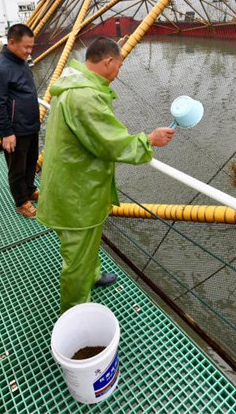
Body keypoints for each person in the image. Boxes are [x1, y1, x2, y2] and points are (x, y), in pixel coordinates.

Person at [37, 37, 175, 314]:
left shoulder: (76, 81)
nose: (119, 72)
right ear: (109, 61)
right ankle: (76, 313)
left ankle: (93, 275)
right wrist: (149, 140)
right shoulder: (85, 96)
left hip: (78, 185)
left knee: (89, 242)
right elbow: (110, 142)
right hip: (76, 194)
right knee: (76, 257)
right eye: (119, 66)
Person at [0, 23, 40, 218]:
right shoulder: (0, 69)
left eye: (31, 46)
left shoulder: (21, 61)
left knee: (30, 161)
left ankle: (29, 190)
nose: (29, 51)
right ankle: (21, 202)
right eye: (26, 47)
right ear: (11, 43)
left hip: (30, 125)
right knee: (17, 167)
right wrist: (7, 132)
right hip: (15, 129)